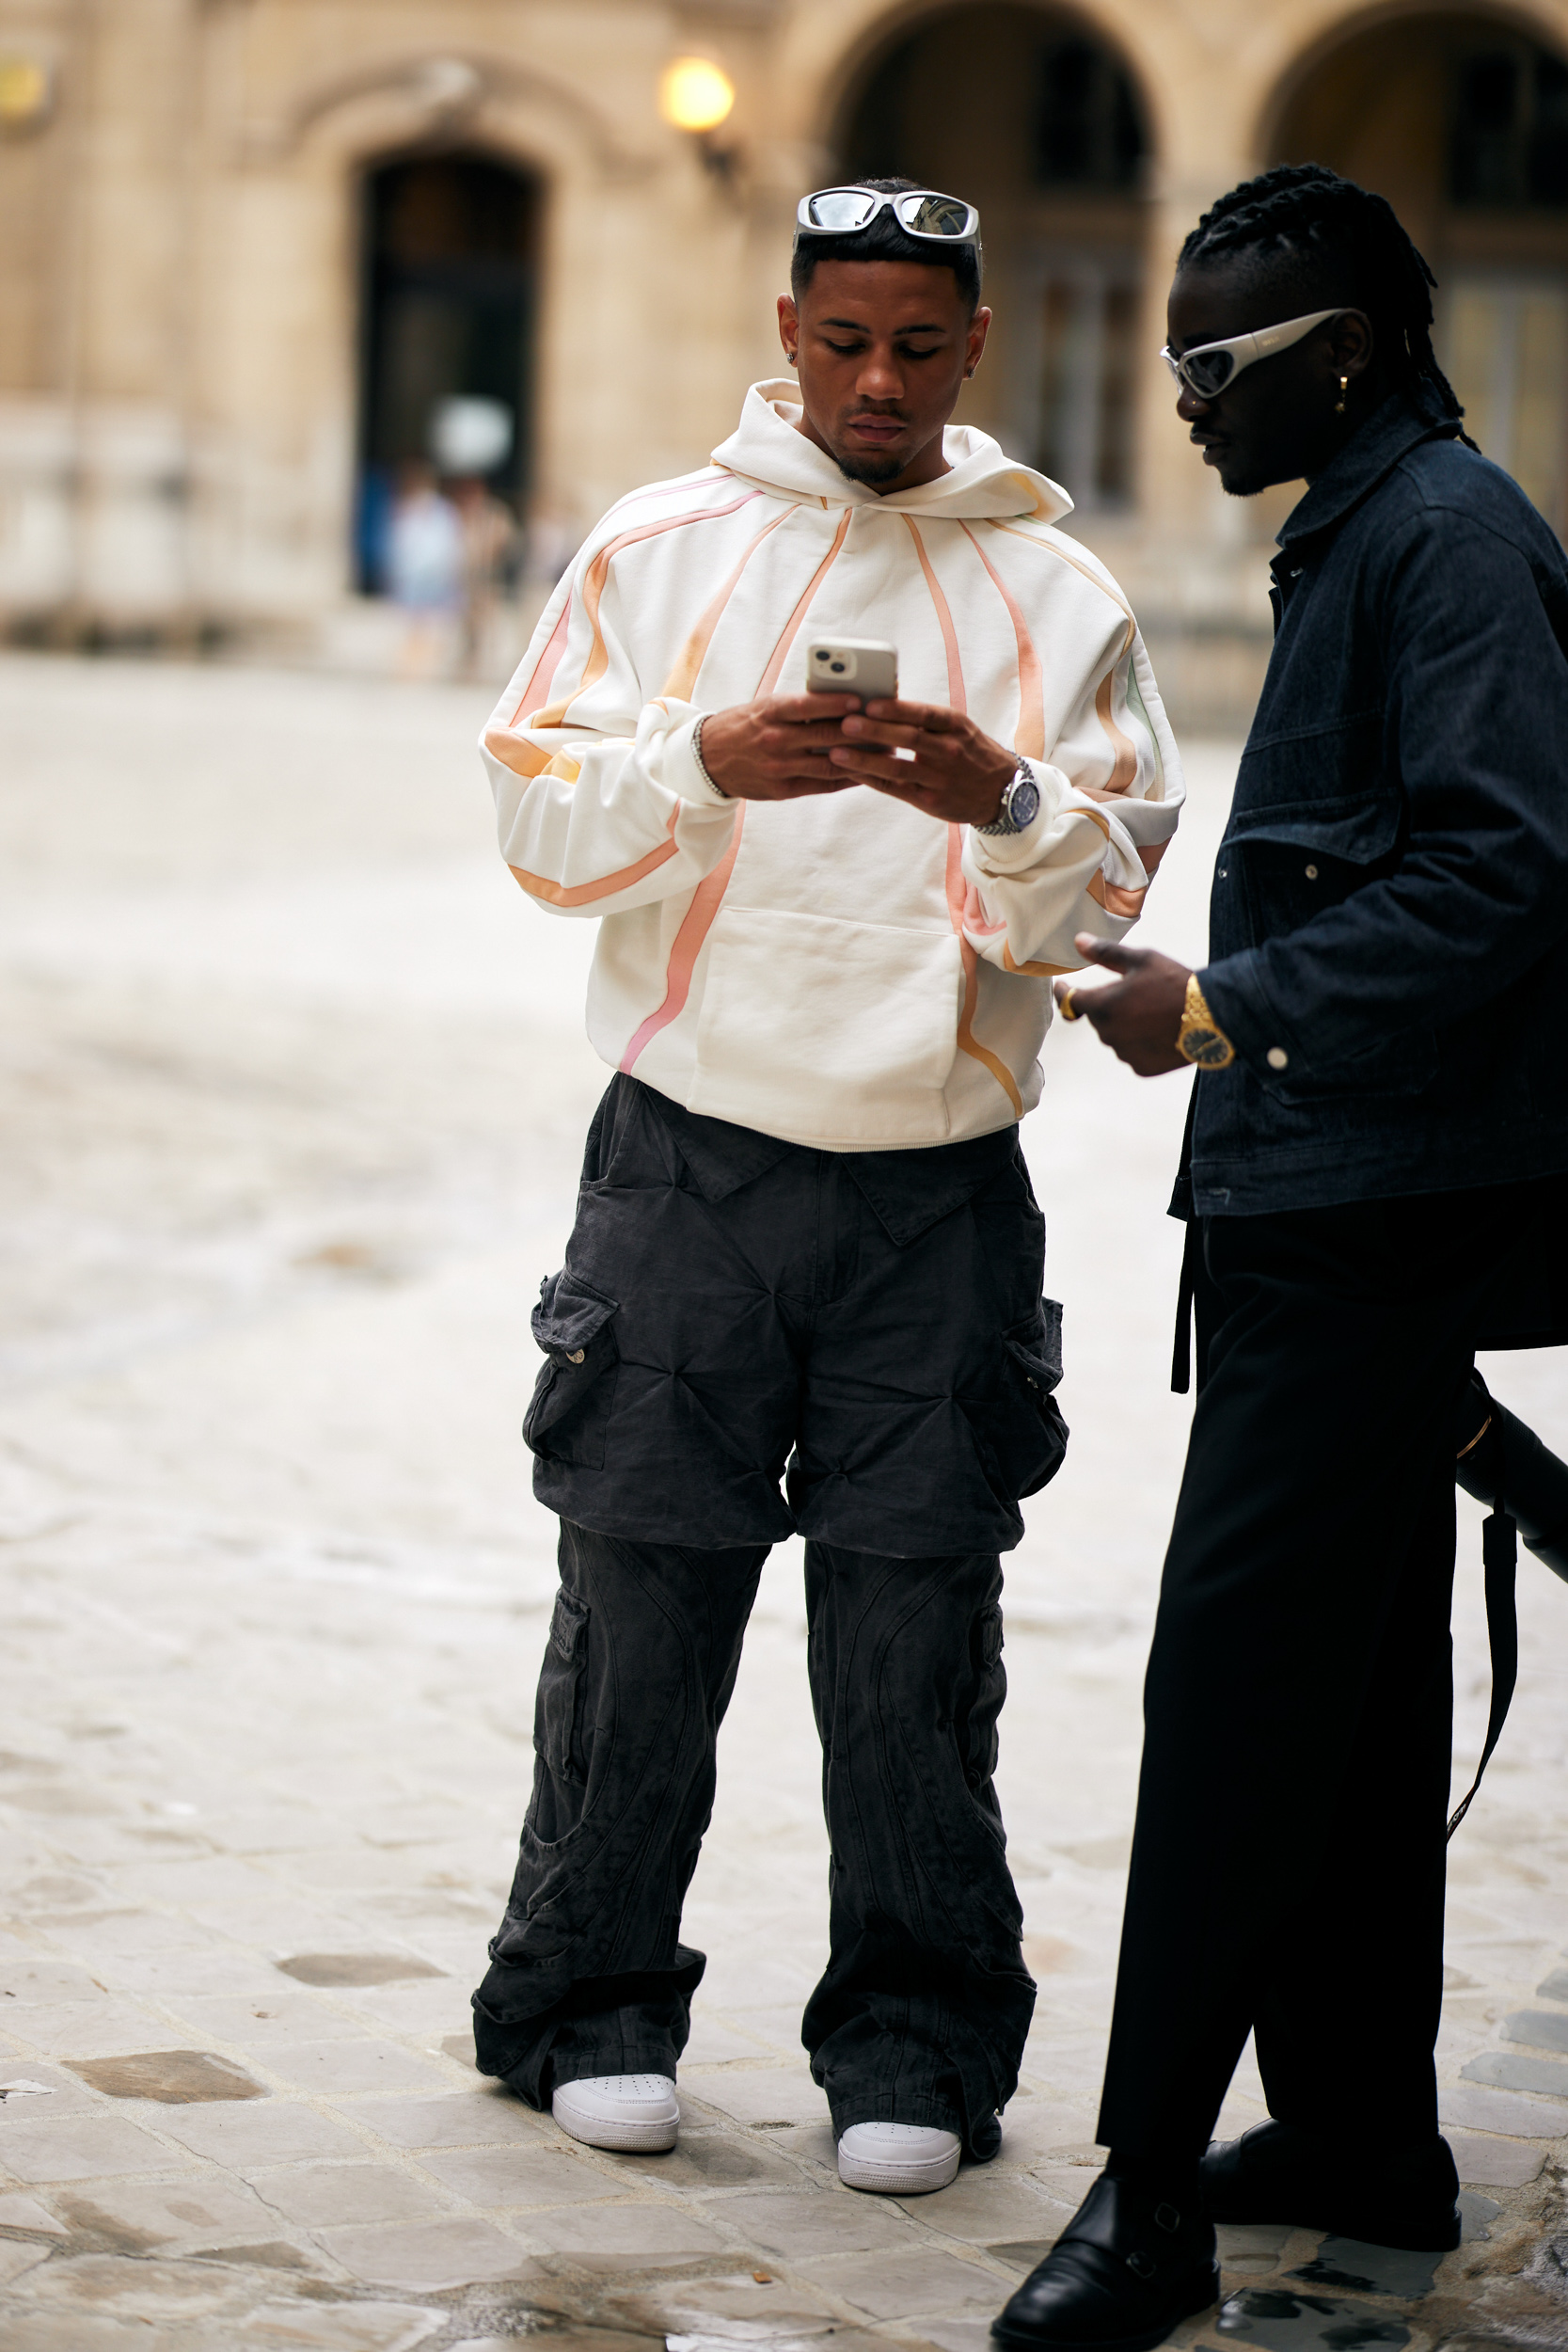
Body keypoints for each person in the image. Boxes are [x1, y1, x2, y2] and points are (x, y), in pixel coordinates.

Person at [470, 179, 1183, 2196]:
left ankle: (920, 2044)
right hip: (688, 1160)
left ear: (978, 351)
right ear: (787, 328)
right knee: (642, 1589)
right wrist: (705, 759)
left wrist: (1005, 796)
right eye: (844, 339)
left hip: (940, 1189)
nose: (878, 380)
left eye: (919, 346)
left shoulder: (1063, 594)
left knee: (913, 1621)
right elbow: (534, 816)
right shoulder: (656, 543)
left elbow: (1112, 877)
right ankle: (585, 2003)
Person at [991, 164, 1568, 2352]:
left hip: (1370, 1213)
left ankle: (1142, 2203)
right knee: (1340, 1696)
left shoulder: (1443, 543)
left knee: (1232, 1700)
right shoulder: (1375, 523)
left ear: (1343, 343)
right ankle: (1357, 2136)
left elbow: (1511, 870)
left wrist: (1223, 1002)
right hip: (1331, 1203)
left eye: (1216, 366)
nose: (1185, 404)